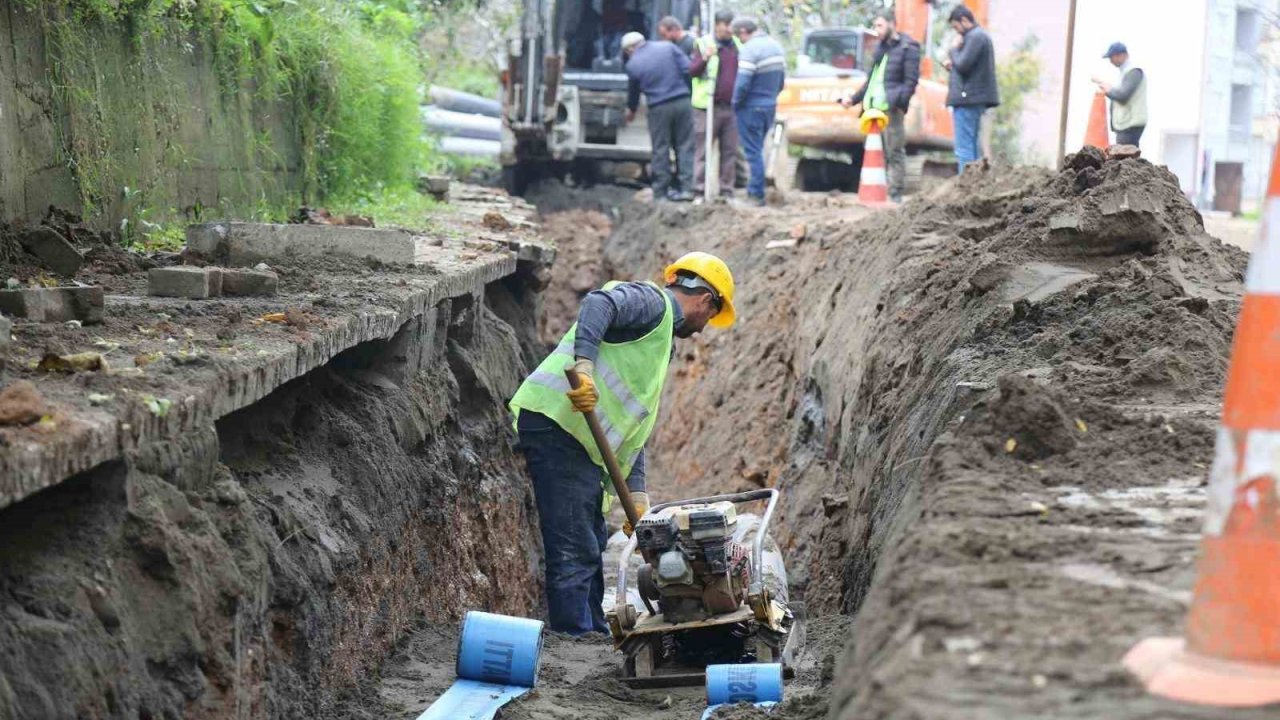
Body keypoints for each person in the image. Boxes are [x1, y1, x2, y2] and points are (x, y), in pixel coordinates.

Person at [509, 252, 737, 634]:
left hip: (577, 439)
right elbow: (599, 302)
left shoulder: (661, 341)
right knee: (574, 545)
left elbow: (634, 425)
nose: (703, 328)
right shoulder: (652, 304)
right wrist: (583, 367)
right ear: (705, 300)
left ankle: (593, 632)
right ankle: (575, 639)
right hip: (560, 424)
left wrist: (637, 492)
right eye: (711, 316)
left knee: (591, 540)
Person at [840, 13, 920, 203]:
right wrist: (854, 99)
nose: (877, 31)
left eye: (880, 26)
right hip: (872, 109)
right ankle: (877, 192)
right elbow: (872, 80)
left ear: (892, 24)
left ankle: (895, 194)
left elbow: (911, 81)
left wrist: (900, 102)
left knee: (894, 151)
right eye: (875, 26)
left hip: (891, 108)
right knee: (875, 152)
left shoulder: (908, 47)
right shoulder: (880, 48)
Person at [623, 32, 696, 202]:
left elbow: (633, 94)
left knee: (660, 149)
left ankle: (660, 193)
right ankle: (686, 189)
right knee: (685, 145)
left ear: (630, 49)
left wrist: (631, 111)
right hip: (682, 102)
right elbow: (688, 69)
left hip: (658, 108)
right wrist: (688, 94)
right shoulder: (668, 47)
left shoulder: (633, 64)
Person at [731, 17, 785, 207]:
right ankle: (756, 192)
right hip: (769, 106)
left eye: (739, 36)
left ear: (744, 31)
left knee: (753, 152)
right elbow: (781, 82)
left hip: (751, 107)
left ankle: (755, 195)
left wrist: (735, 103)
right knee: (759, 149)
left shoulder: (750, 49)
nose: (739, 40)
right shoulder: (775, 47)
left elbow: (743, 82)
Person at [689, 10, 741, 200]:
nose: (730, 30)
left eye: (732, 26)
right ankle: (699, 191)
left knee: (729, 151)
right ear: (717, 25)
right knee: (702, 150)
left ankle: (726, 191)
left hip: (731, 107)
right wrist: (705, 58)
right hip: (706, 106)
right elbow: (692, 71)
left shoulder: (738, 46)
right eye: (727, 25)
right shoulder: (704, 44)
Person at [942, 6, 998, 173]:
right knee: (971, 146)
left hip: (967, 99)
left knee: (964, 148)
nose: (957, 32)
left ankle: (965, 186)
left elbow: (964, 65)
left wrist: (953, 49)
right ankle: (972, 184)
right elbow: (966, 66)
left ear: (965, 20)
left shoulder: (975, 37)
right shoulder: (979, 37)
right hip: (973, 97)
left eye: (956, 27)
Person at [1096, 42, 1147, 148]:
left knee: (1124, 156)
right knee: (1125, 156)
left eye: (1112, 57)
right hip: (1127, 123)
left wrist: (1108, 90)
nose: (1110, 61)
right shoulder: (1126, 72)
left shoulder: (1133, 71)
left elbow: (1123, 95)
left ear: (1121, 55)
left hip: (1130, 123)